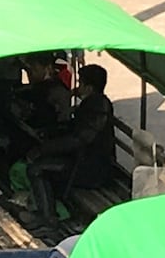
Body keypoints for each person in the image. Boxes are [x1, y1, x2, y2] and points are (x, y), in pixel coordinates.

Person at [24, 64, 115, 223]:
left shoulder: (97, 107)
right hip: (85, 161)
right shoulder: (93, 104)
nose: (78, 88)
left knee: (36, 169)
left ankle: (48, 219)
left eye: (81, 84)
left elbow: (79, 139)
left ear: (89, 87)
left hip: (91, 168)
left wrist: (44, 149)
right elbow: (74, 130)